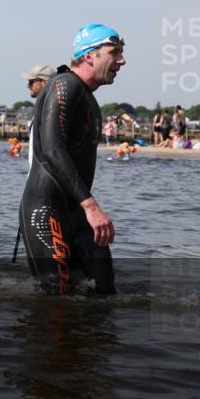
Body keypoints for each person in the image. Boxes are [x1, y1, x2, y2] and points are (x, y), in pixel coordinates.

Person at [19, 23, 125, 295]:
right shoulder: (64, 85)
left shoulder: (85, 95)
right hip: (47, 208)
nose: (122, 60)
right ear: (90, 55)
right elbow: (52, 150)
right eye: (114, 52)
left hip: (75, 209)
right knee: (56, 303)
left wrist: (85, 208)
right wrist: (91, 206)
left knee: (104, 293)